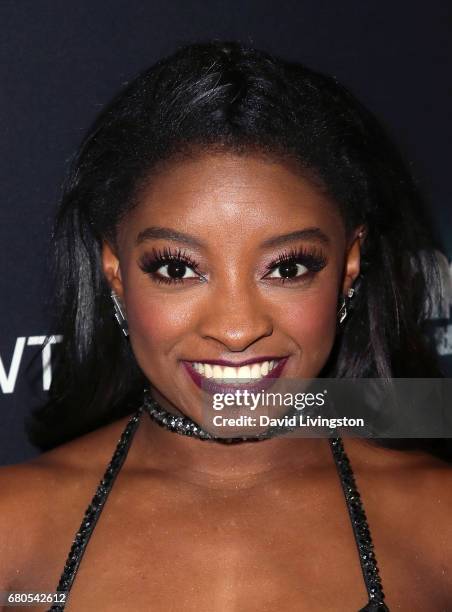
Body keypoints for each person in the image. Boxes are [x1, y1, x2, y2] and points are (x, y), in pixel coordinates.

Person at [0, 40, 451, 611]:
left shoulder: (441, 524)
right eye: (177, 268)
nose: (237, 330)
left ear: (348, 266)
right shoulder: (12, 529)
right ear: (114, 270)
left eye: (287, 268)